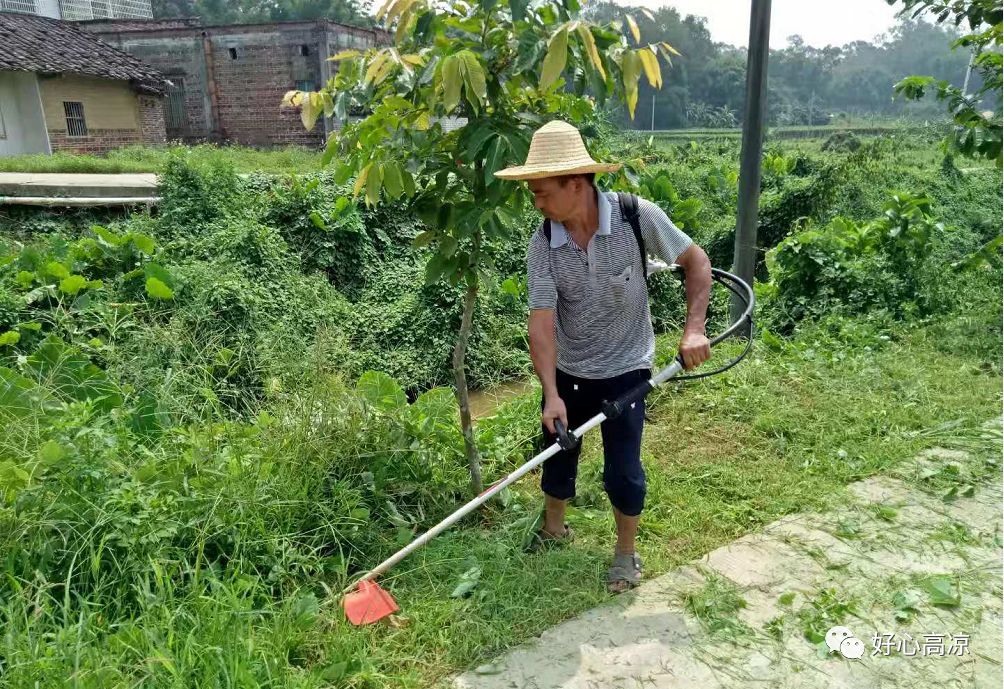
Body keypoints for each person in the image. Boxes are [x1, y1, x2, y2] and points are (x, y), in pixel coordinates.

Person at [494, 120, 713, 593]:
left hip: (628, 367)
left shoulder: (638, 218)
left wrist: (693, 329)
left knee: (623, 467)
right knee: (557, 449)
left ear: (576, 184)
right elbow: (541, 325)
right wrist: (550, 394)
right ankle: (553, 529)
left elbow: (696, 262)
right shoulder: (543, 244)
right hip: (571, 367)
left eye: (541, 192)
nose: (536, 202)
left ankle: (625, 554)